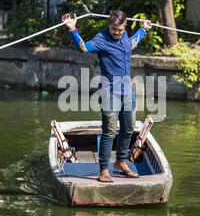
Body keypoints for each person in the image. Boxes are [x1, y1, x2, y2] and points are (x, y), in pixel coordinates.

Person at [62, 10, 152, 183]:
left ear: (125, 26)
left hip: (127, 91)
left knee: (128, 129)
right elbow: (83, 48)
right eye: (113, 29)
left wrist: (143, 30)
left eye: (119, 29)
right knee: (109, 131)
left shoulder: (125, 36)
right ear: (109, 25)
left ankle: (120, 162)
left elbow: (132, 43)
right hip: (110, 91)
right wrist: (73, 29)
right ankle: (104, 169)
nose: (116, 33)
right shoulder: (101, 40)